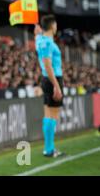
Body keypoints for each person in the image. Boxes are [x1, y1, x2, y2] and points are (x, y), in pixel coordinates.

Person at [35, 15, 65, 158]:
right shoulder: (47, 42)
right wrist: (56, 85)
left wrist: (37, 33)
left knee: (49, 113)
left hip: (46, 79)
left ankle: (49, 148)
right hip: (53, 79)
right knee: (52, 114)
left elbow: (37, 37)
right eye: (56, 24)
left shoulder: (40, 40)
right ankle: (49, 149)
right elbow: (48, 64)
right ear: (52, 26)